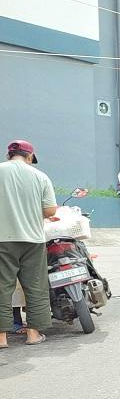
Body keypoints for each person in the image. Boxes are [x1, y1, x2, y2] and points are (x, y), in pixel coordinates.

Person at [0, 140, 56, 348]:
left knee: (2, 287)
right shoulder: (40, 177)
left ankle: (1, 338)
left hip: (3, 239)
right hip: (33, 240)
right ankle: (33, 334)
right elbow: (50, 210)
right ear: (30, 156)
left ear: (9, 155)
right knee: (35, 287)